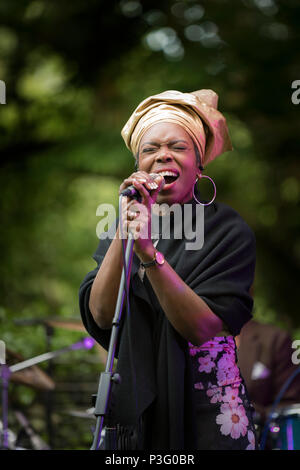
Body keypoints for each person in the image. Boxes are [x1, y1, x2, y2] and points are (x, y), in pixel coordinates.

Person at [79, 89, 257, 450]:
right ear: (138, 165)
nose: (163, 156)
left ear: (198, 163)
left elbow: (204, 328)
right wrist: (125, 233)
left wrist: (148, 254)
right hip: (136, 422)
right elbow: (100, 313)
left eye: (178, 147)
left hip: (207, 415)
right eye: (150, 149)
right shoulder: (123, 225)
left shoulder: (226, 229)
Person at [236, 318, 300, 423]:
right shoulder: (201, 342)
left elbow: (290, 404)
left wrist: (252, 413)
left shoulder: (275, 339)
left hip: (259, 435)